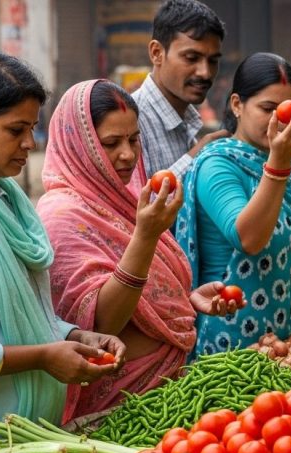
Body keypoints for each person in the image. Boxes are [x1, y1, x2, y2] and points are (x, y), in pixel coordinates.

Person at [37, 80, 243, 422]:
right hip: (118, 408)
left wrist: (183, 301)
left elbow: (137, 302)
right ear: (78, 145)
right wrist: (146, 236)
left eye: (134, 139)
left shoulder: (124, 198)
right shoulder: (61, 216)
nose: (128, 154)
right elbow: (100, 324)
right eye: (111, 143)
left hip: (165, 395)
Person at [0, 52, 125, 453]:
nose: (30, 144)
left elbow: (28, 310)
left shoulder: (10, 199)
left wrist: (72, 335)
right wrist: (42, 357)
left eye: (32, 128)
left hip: (30, 437)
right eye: (16, 130)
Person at [174, 53, 291, 355]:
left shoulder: (276, 165)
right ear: (237, 105)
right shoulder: (218, 164)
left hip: (284, 347)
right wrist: (279, 163)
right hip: (231, 349)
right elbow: (249, 239)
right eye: (267, 109)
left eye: (287, 112)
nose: (278, 121)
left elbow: (271, 257)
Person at [132, 0, 229, 181]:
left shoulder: (188, 120)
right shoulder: (131, 123)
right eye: (191, 58)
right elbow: (133, 206)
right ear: (156, 53)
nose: (205, 73)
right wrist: (196, 157)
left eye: (213, 61)